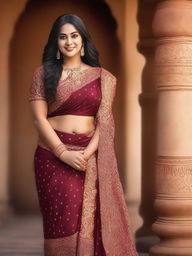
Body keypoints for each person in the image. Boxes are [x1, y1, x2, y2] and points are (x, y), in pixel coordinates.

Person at [28, 14, 137, 256]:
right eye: (63, 37)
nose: (69, 42)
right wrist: (63, 153)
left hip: (89, 157)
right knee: (61, 221)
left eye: (74, 35)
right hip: (52, 155)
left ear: (83, 39)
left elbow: (105, 122)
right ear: (55, 42)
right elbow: (39, 119)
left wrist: (86, 155)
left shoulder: (103, 77)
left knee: (86, 219)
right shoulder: (43, 74)